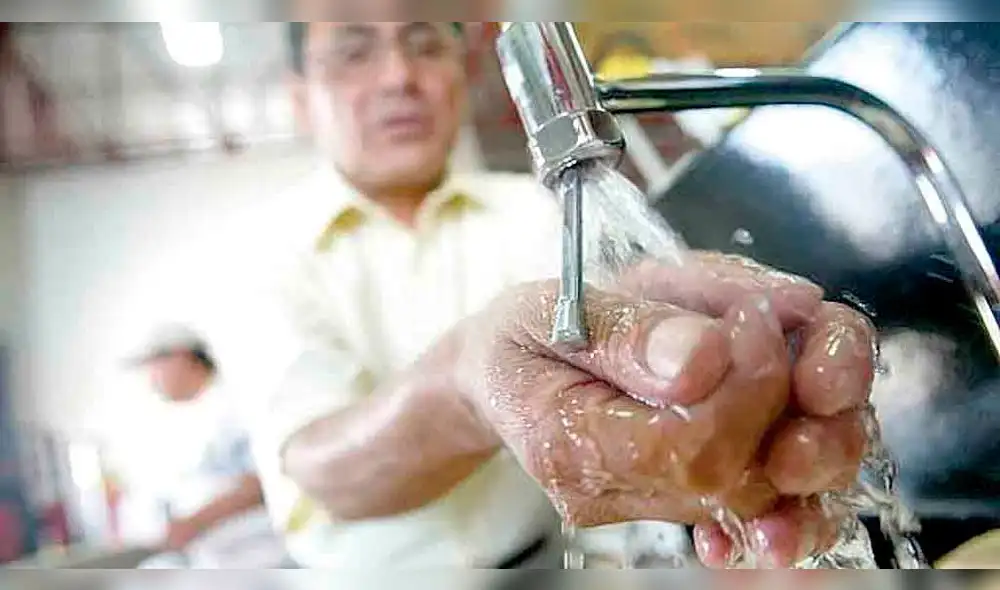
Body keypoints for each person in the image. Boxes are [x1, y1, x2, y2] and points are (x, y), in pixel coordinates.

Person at [252, 20, 876, 571]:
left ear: (458, 72)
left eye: (424, 45)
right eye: (354, 52)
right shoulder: (267, 253)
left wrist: (716, 363)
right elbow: (316, 469)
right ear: (301, 98)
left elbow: (611, 318)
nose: (399, 77)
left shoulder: (532, 208)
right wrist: (469, 385)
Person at [126, 324, 287, 568]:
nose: (150, 378)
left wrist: (193, 523)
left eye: (154, 366)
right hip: (212, 557)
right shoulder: (184, 421)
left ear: (181, 357)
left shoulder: (235, 409)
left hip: (255, 554)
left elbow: (259, 481)